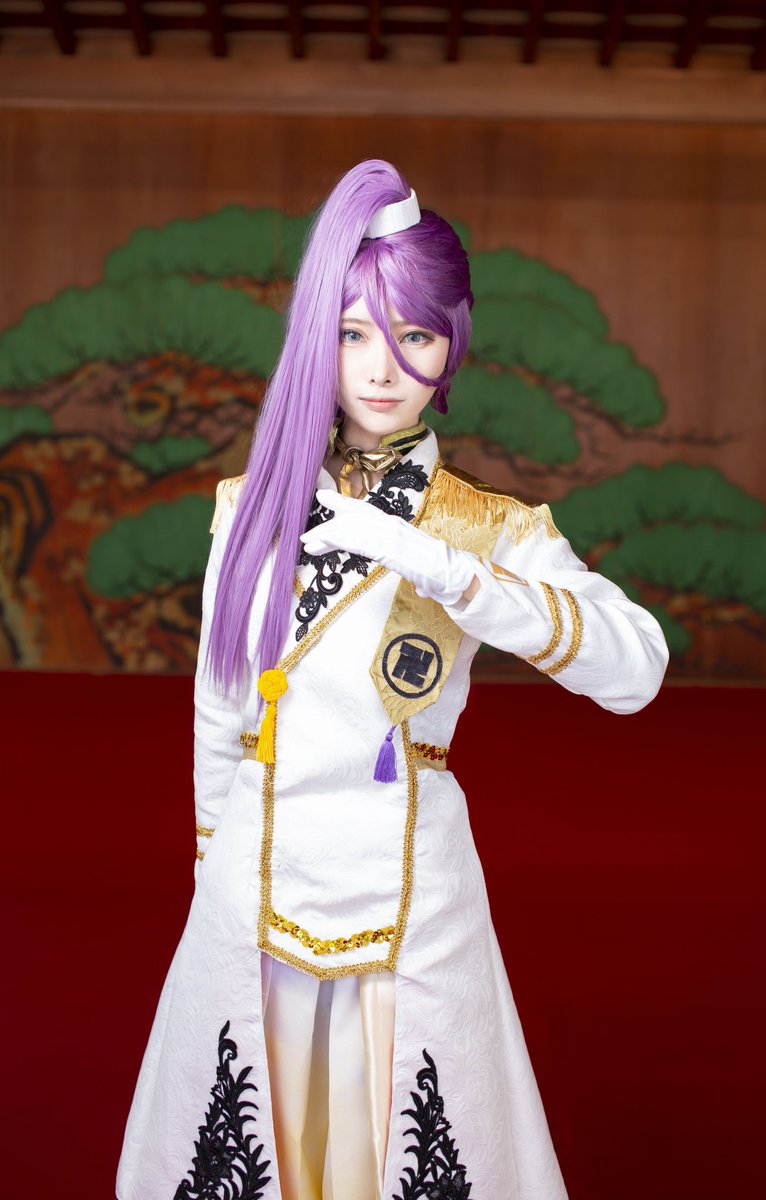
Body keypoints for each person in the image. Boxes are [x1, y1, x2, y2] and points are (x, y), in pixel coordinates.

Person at [116, 160, 668, 1200]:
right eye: (353, 334)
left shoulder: (484, 526)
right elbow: (219, 712)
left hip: (412, 885)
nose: (383, 369)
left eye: (415, 336)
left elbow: (636, 668)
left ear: (452, 344)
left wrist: (449, 572)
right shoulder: (249, 505)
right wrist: (209, 882)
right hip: (256, 884)